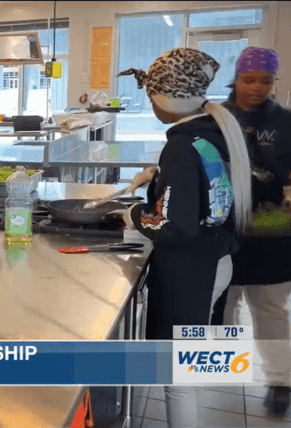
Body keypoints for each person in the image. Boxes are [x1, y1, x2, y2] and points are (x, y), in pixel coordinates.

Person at [118, 48, 252, 428]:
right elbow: (208, 189)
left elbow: (174, 225)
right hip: (214, 262)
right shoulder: (210, 134)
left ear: (165, 99)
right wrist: (160, 177)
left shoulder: (180, 144)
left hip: (191, 271)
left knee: (177, 381)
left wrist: (132, 215)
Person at [211, 47, 291, 418]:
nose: (256, 88)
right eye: (248, 80)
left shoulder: (287, 121)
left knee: (269, 307)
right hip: (223, 224)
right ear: (236, 79)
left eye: (265, 81)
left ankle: (280, 381)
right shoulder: (214, 117)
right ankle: (221, 359)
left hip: (273, 228)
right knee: (223, 299)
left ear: (274, 83)